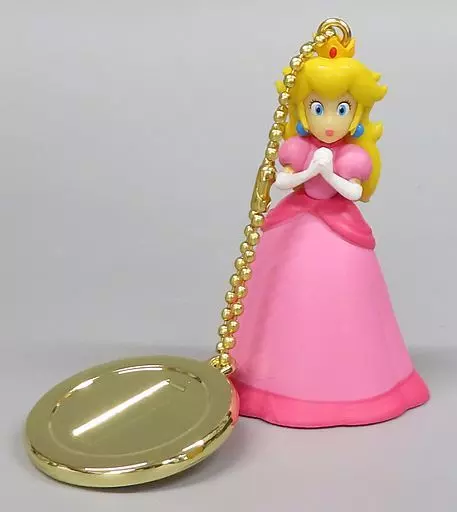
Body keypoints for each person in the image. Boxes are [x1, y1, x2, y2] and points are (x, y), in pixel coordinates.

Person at [230, 32, 429, 428]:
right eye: (318, 108)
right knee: (283, 291)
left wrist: (329, 173)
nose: (329, 121)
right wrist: (310, 171)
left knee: (344, 298)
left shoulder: (354, 155)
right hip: (295, 222)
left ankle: (349, 383)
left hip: (339, 229)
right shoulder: (297, 147)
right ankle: (269, 381)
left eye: (341, 109)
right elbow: (283, 182)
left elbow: (354, 191)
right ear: (303, 110)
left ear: (356, 113)